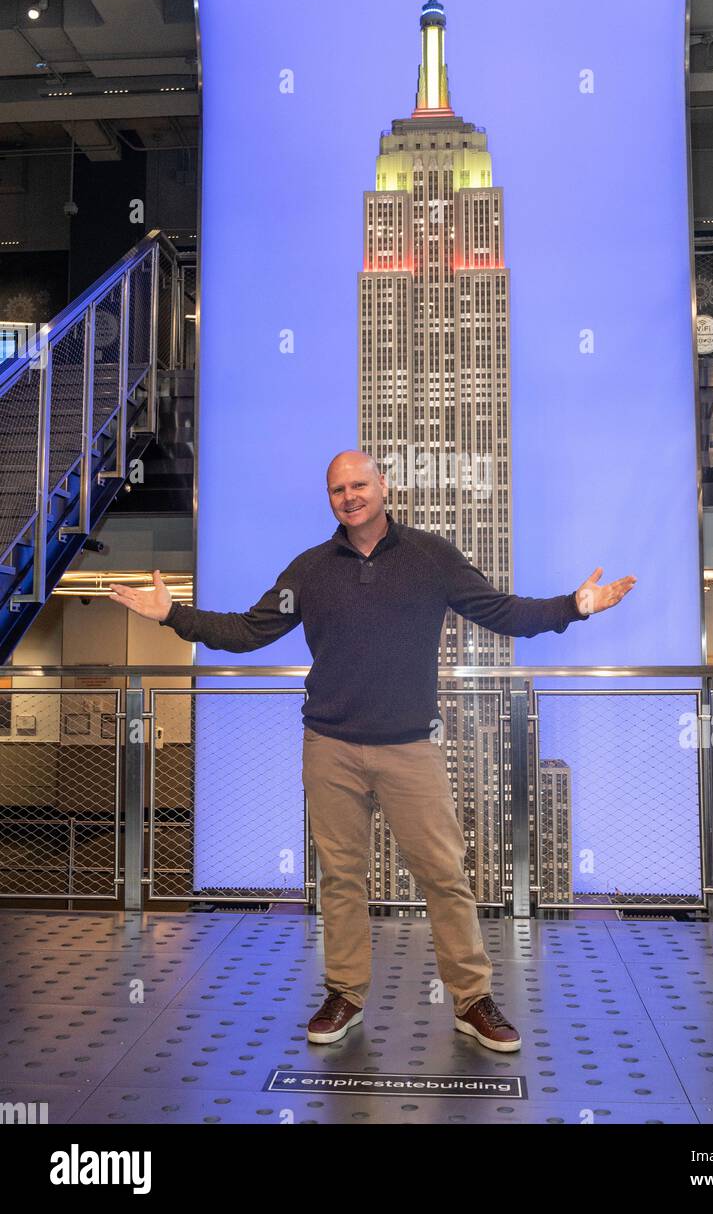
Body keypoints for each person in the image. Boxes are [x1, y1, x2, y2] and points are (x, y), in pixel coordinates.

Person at [109, 450, 636, 1052]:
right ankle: (346, 993)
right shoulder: (309, 571)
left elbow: (501, 612)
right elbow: (248, 631)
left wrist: (575, 606)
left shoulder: (431, 559)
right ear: (330, 499)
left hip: (410, 747)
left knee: (444, 876)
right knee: (340, 878)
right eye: (337, 489)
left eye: (358, 484)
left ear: (383, 486)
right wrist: (171, 614)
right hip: (329, 746)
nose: (349, 496)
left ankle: (472, 1000)